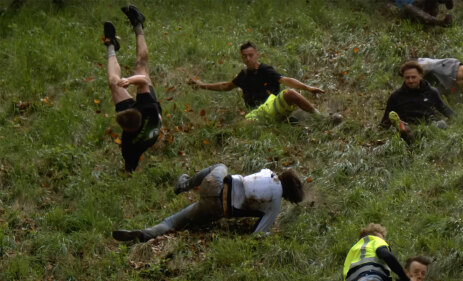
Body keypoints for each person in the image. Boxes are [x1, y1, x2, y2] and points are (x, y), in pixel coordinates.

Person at [112, 164, 304, 242]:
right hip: (217, 208)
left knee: (220, 166)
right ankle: (146, 234)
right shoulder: (275, 206)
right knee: (173, 222)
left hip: (214, 184)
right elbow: (259, 234)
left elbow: (256, 178)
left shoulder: (269, 172)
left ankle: (184, 184)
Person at [189, 42, 326, 123]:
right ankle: (289, 121)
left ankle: (320, 117)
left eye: (250, 55)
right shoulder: (243, 75)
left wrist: (308, 88)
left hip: (271, 105)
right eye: (244, 56)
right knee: (242, 127)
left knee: (290, 93)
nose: (248, 59)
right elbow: (226, 86)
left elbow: (286, 80)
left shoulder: (265, 69)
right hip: (257, 114)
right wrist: (201, 85)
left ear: (257, 55)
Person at [103, 5, 162, 172]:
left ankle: (111, 45)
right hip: (151, 116)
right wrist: (129, 81)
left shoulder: (128, 146)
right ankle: (138, 25)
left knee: (114, 82)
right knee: (141, 66)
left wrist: (124, 81)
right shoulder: (148, 108)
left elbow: (129, 170)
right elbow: (143, 81)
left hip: (144, 127)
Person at [380, 61, 455, 143]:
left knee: (441, 124)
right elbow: (385, 121)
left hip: (430, 127)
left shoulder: (431, 92)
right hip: (409, 129)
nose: (410, 80)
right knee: (406, 131)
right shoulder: (396, 96)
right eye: (407, 78)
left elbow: (445, 109)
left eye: (413, 77)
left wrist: (458, 122)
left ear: (421, 76)